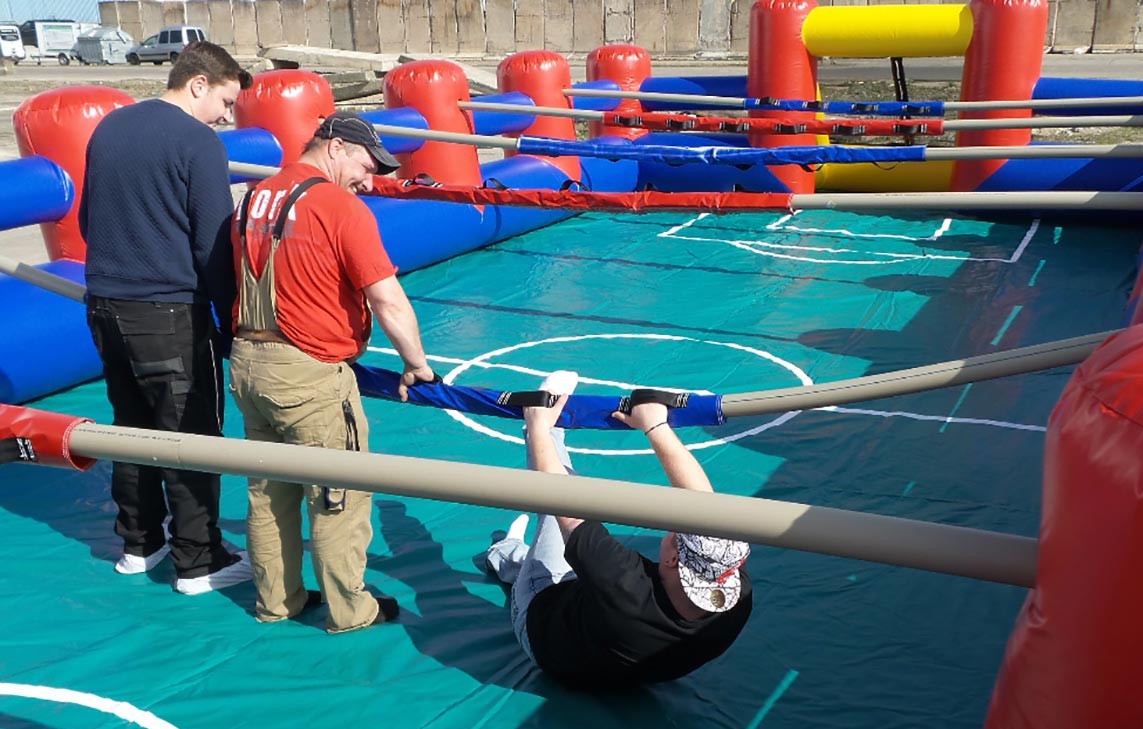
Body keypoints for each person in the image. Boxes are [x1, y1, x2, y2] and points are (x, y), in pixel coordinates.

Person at [228, 111, 437, 634]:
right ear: (338, 147)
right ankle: (350, 610)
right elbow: (387, 298)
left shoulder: (251, 199)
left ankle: (278, 601)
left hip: (248, 365)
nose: (370, 180)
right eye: (367, 164)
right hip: (309, 374)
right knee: (337, 497)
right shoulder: (339, 206)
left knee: (269, 493)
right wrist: (418, 365)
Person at [80, 41, 255, 595]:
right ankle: (199, 559)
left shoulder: (109, 127)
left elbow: (89, 218)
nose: (227, 116)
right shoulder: (198, 143)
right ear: (197, 83)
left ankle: (140, 542)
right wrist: (233, 325)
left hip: (105, 306)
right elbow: (213, 245)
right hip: (168, 313)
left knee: (130, 426)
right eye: (225, 101)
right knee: (190, 434)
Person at [486, 372, 753, 689]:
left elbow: (559, 496)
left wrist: (539, 425)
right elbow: (704, 505)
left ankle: (503, 552)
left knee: (552, 531)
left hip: (544, 635)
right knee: (570, 555)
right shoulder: (733, 595)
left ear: (671, 560)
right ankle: (515, 560)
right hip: (629, 672)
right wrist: (657, 426)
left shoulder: (620, 580)